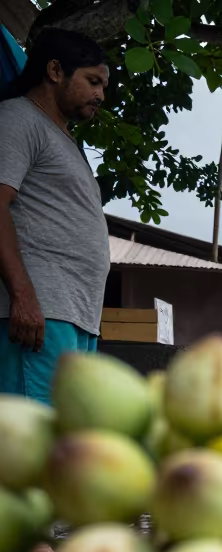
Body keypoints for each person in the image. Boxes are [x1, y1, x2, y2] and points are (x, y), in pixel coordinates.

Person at [0, 29, 110, 404]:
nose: (101, 95)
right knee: (33, 447)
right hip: (39, 310)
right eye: (93, 81)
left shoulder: (63, 138)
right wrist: (24, 295)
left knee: (64, 445)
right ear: (54, 71)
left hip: (74, 315)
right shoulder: (18, 118)